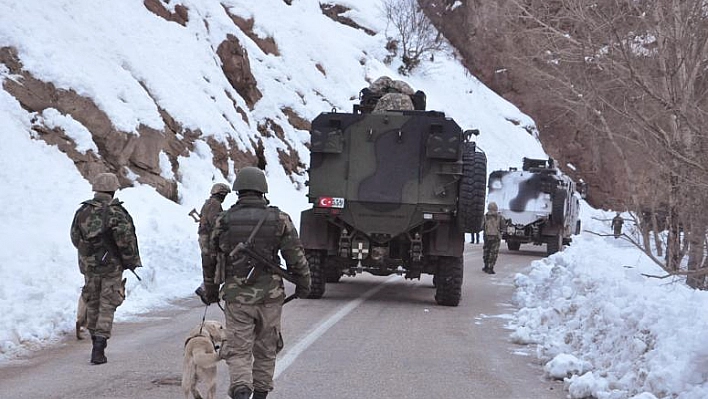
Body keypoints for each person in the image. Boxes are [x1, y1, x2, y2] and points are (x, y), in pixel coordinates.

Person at [206, 166, 311, 399]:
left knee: (239, 348)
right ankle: (261, 393)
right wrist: (304, 283)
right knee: (266, 348)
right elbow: (296, 255)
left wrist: (211, 289)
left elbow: (210, 257)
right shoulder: (279, 218)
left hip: (236, 296)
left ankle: (242, 389)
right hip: (270, 297)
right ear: (262, 190)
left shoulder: (224, 219)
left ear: (238, 191)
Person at [70, 172, 142, 364]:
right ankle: (99, 346)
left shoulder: (82, 211)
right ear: (113, 189)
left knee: (92, 302)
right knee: (107, 304)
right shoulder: (116, 212)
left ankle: (95, 338)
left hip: (89, 267)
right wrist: (130, 261)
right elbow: (126, 241)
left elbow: (75, 238)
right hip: (111, 266)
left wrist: (89, 256)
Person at [194, 183, 231, 304]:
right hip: (209, 239)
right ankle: (207, 290)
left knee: (210, 265)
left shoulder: (208, 203)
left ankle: (207, 289)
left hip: (205, 238)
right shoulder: (215, 204)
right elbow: (215, 223)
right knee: (213, 264)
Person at [482, 202, 504, 274]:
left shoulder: (485, 216)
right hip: (496, 237)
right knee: (493, 253)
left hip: (486, 236)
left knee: (486, 251)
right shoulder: (500, 217)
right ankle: (490, 268)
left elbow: (482, 226)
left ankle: (485, 266)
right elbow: (503, 227)